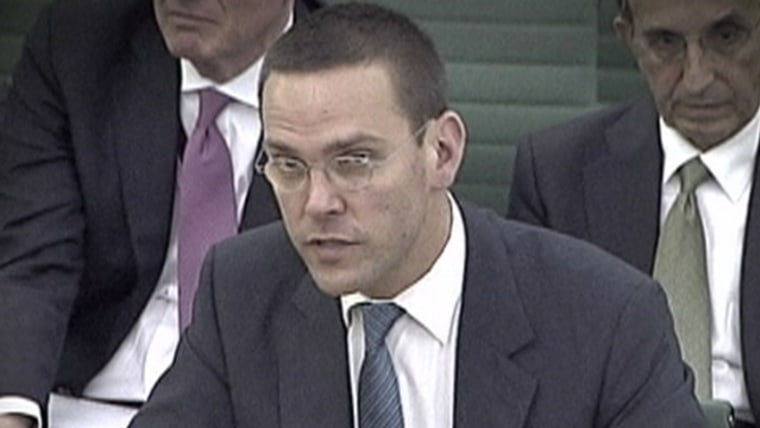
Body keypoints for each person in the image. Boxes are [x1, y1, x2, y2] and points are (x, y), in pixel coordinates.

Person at [128, 4, 706, 427]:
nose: (317, 202)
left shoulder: (603, 317)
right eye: (288, 164)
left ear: (442, 152)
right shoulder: (243, 292)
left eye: (353, 161)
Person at [0, 0, 321, 426]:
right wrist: (13, 414)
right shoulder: (81, 48)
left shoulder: (349, 81)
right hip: (79, 403)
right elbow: (34, 258)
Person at [507, 0, 760, 425]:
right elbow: (533, 374)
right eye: (665, 43)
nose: (697, 79)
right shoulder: (556, 172)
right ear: (628, 37)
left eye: (727, 37)